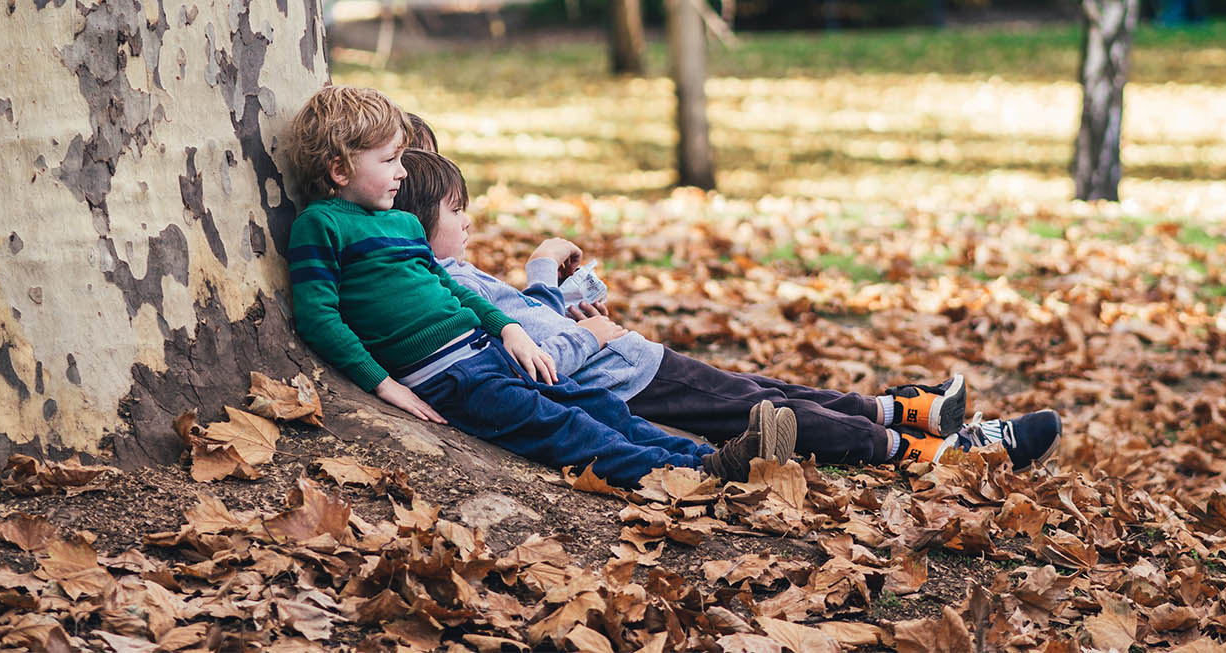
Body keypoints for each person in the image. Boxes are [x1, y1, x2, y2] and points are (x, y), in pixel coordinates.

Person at [392, 146, 1063, 473]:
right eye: (457, 211)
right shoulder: (441, 283)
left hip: (633, 361)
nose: (470, 221)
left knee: (769, 389)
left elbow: (536, 323)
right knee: (772, 413)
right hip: (625, 380)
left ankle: (907, 409)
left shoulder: (446, 270)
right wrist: (567, 303)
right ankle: (937, 453)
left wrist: (568, 298)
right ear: (418, 222)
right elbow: (539, 347)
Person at [285, 85, 798, 487]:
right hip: (449, 378)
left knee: (597, 407)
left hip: (488, 350)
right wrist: (382, 384)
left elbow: (452, 291)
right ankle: (689, 478)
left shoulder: (402, 224)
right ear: (339, 167)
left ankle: (715, 459)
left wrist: (509, 329)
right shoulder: (322, 226)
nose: (402, 173)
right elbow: (319, 317)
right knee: (565, 430)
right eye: (389, 160)